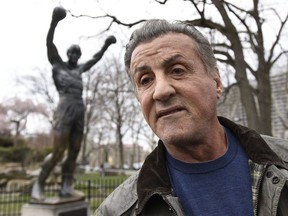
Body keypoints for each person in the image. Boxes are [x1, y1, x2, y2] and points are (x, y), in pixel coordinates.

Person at [94, 19, 288, 215]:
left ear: (217, 83)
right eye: (145, 80)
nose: (160, 91)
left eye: (177, 70)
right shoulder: (115, 211)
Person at [31, 6, 116, 200]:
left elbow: (95, 59)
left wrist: (106, 45)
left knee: (74, 151)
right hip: (64, 107)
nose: (75, 56)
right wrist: (54, 21)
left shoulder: (79, 70)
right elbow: (49, 43)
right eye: (72, 53)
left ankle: (66, 186)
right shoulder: (57, 65)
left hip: (79, 109)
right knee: (59, 151)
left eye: (78, 54)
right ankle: (39, 183)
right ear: (67, 54)